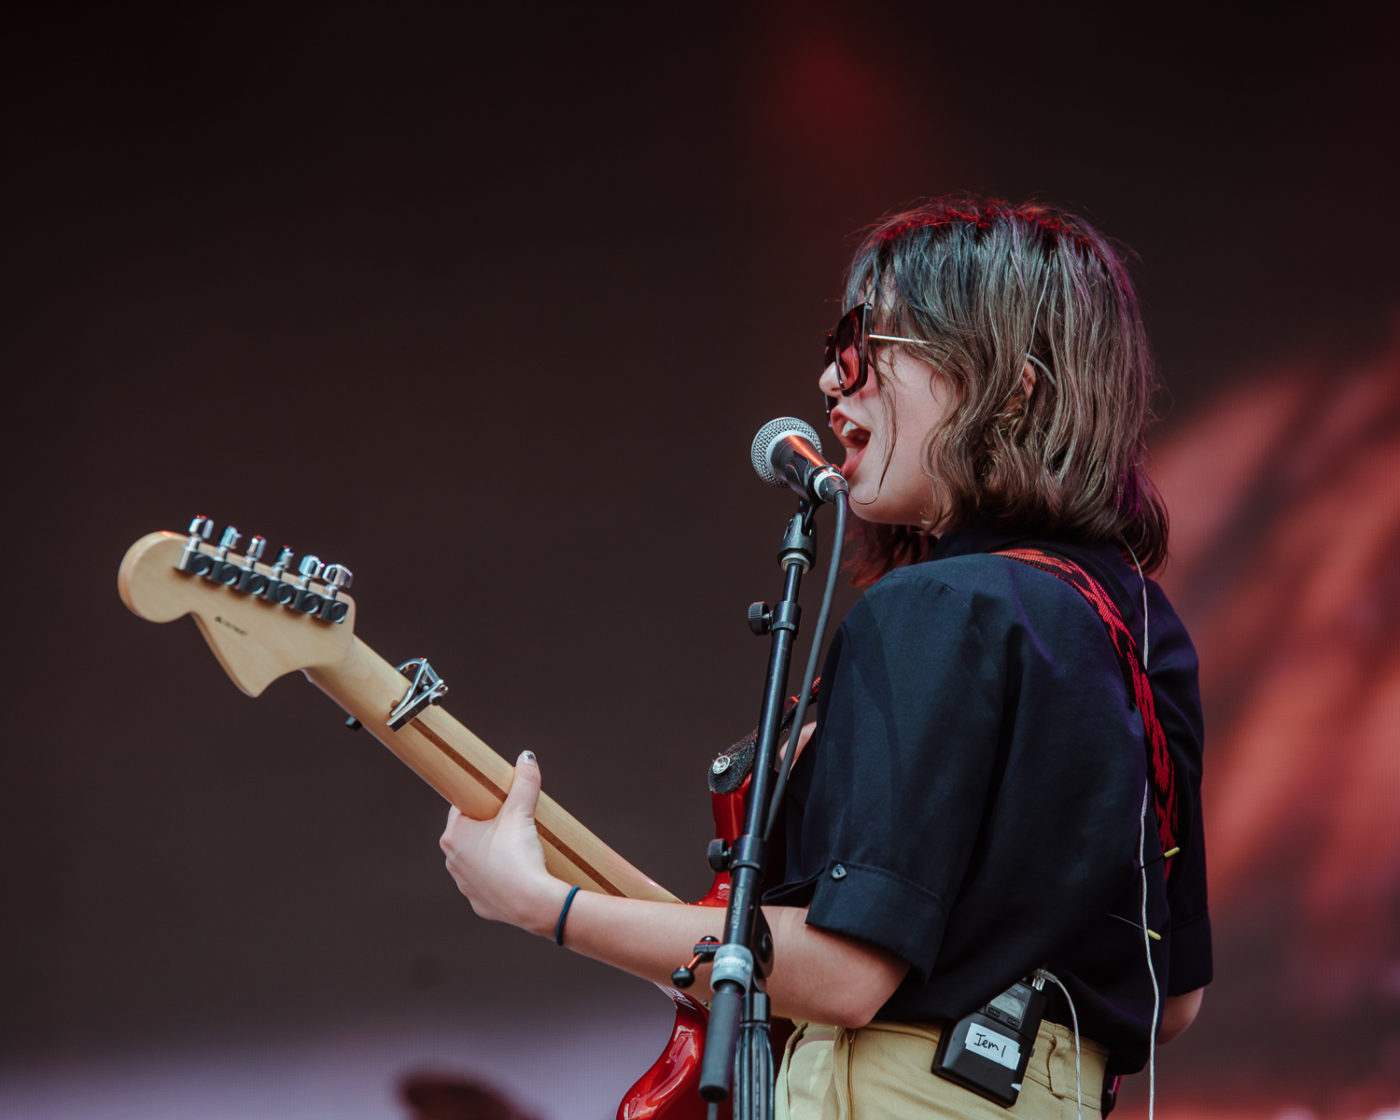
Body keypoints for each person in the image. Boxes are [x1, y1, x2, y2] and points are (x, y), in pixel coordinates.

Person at [439, 196, 1211, 1118]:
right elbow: (1174, 998)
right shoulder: (1140, 625)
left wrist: (543, 904)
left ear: (1010, 386)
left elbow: (844, 976)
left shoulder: (936, 606)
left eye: (863, 342)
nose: (830, 379)